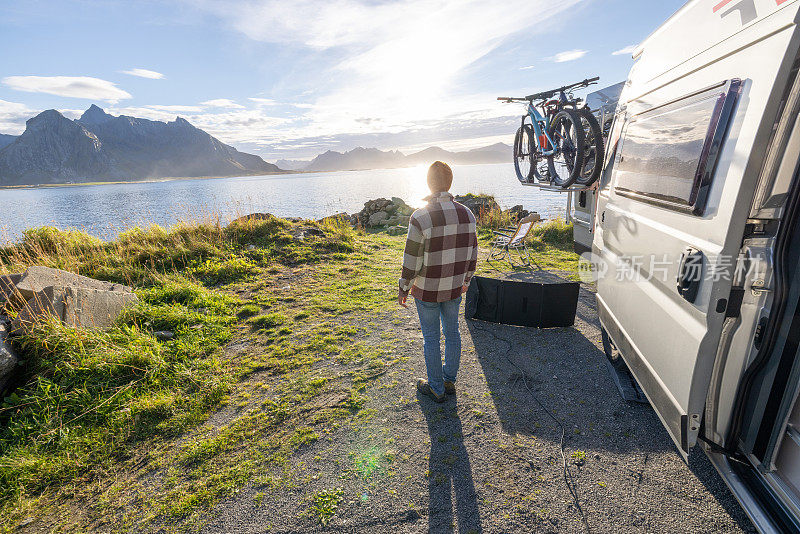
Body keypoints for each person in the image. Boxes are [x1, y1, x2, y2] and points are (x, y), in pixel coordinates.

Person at [398, 161, 478, 403]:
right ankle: (448, 380)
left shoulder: (420, 217)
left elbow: (412, 259)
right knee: (453, 333)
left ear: (429, 183)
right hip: (454, 287)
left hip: (427, 290)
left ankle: (436, 388)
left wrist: (403, 287)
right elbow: (473, 253)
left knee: (431, 338)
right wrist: (466, 280)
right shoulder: (468, 214)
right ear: (450, 182)